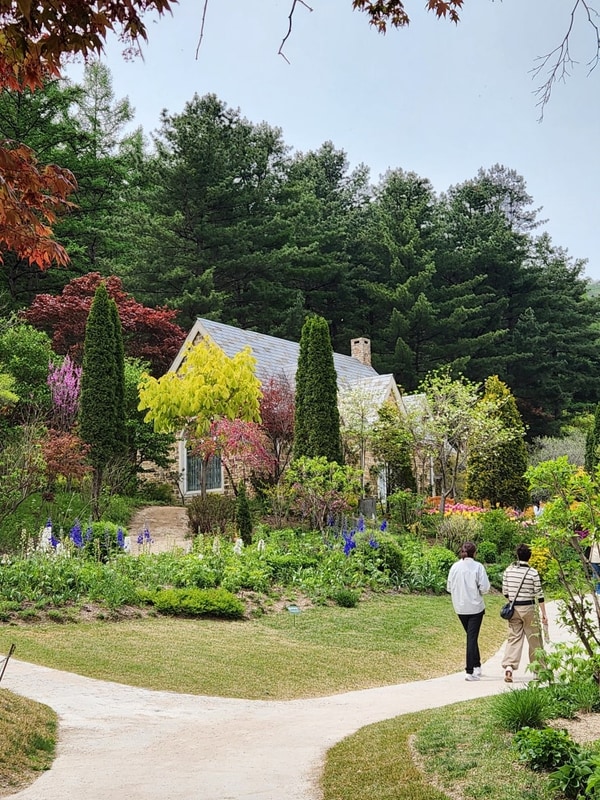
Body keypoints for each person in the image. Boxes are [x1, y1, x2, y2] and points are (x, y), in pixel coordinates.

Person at [501, 543, 547, 683]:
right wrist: (544, 614)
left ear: (517, 555)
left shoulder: (509, 570)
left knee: (514, 638)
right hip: (529, 608)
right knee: (534, 640)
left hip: (514, 609)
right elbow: (539, 595)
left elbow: (506, 592)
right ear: (529, 557)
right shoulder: (533, 573)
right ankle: (538, 671)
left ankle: (509, 666)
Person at [446, 541, 491, 681]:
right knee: (471, 638)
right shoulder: (478, 567)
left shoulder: (454, 567)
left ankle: (477, 666)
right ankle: (469, 670)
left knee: (472, 637)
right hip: (475, 608)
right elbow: (485, 588)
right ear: (474, 553)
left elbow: (449, 587)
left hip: (460, 607)